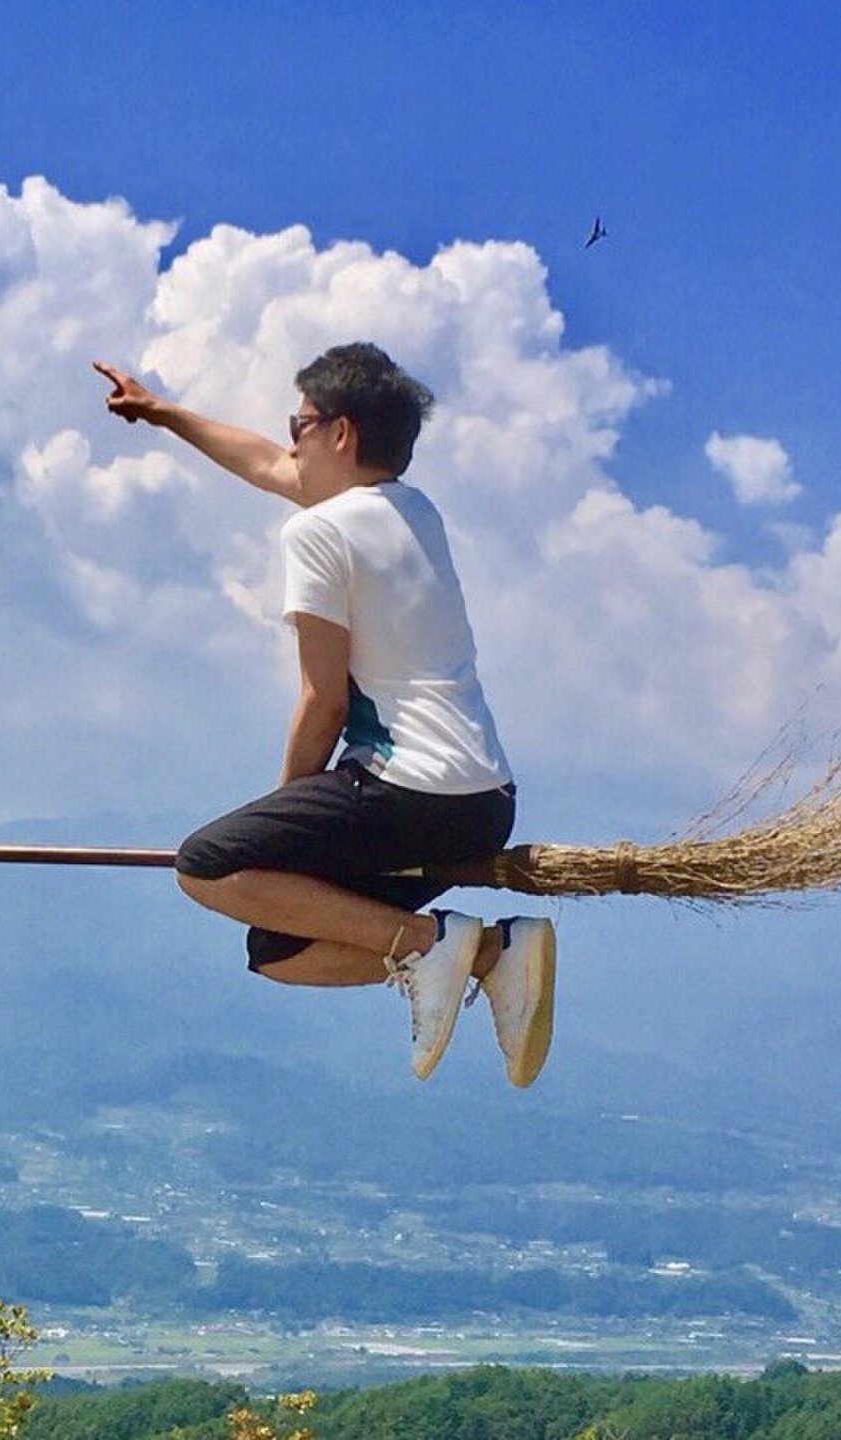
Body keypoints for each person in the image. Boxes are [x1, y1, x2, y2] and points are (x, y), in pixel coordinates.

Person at [93, 343, 555, 1086]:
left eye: (298, 424)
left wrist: (281, 828)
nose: (287, 443)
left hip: (410, 792)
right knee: (280, 950)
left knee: (206, 866)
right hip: (484, 803)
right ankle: (494, 951)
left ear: (340, 433)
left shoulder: (319, 532)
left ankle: (431, 943)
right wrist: (163, 414)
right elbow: (269, 467)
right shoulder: (412, 512)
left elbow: (324, 700)